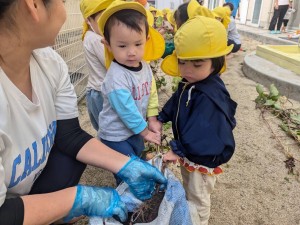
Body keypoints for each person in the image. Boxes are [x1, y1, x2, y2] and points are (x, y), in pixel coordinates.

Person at [0, 0, 167, 224]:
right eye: (62, 1)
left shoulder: (49, 63)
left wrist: (126, 165)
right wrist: (78, 199)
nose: (64, 9)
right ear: (33, 5)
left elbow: (69, 135)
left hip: (32, 186)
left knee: (71, 158)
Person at [159, 16, 237, 225]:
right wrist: (162, 117)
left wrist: (176, 150)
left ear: (216, 62)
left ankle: (197, 221)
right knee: (190, 190)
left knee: (198, 197)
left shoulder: (209, 96)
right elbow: (176, 102)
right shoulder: (191, 82)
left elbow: (201, 131)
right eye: (182, 62)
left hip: (201, 156)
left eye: (197, 64)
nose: (186, 70)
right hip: (190, 152)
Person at [96, 1, 165, 181]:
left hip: (134, 130)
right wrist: (146, 132)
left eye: (137, 44)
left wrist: (151, 118)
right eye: (122, 46)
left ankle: (134, 200)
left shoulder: (145, 67)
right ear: (108, 45)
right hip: (115, 135)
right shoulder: (116, 77)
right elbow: (126, 110)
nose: (132, 52)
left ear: (146, 40)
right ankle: (127, 205)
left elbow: (151, 93)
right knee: (128, 172)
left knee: (138, 159)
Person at [79, 0, 112, 131]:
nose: (107, 24)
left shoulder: (91, 35)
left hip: (97, 91)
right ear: (88, 20)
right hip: (101, 93)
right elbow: (112, 65)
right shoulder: (96, 39)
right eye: (102, 19)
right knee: (110, 133)